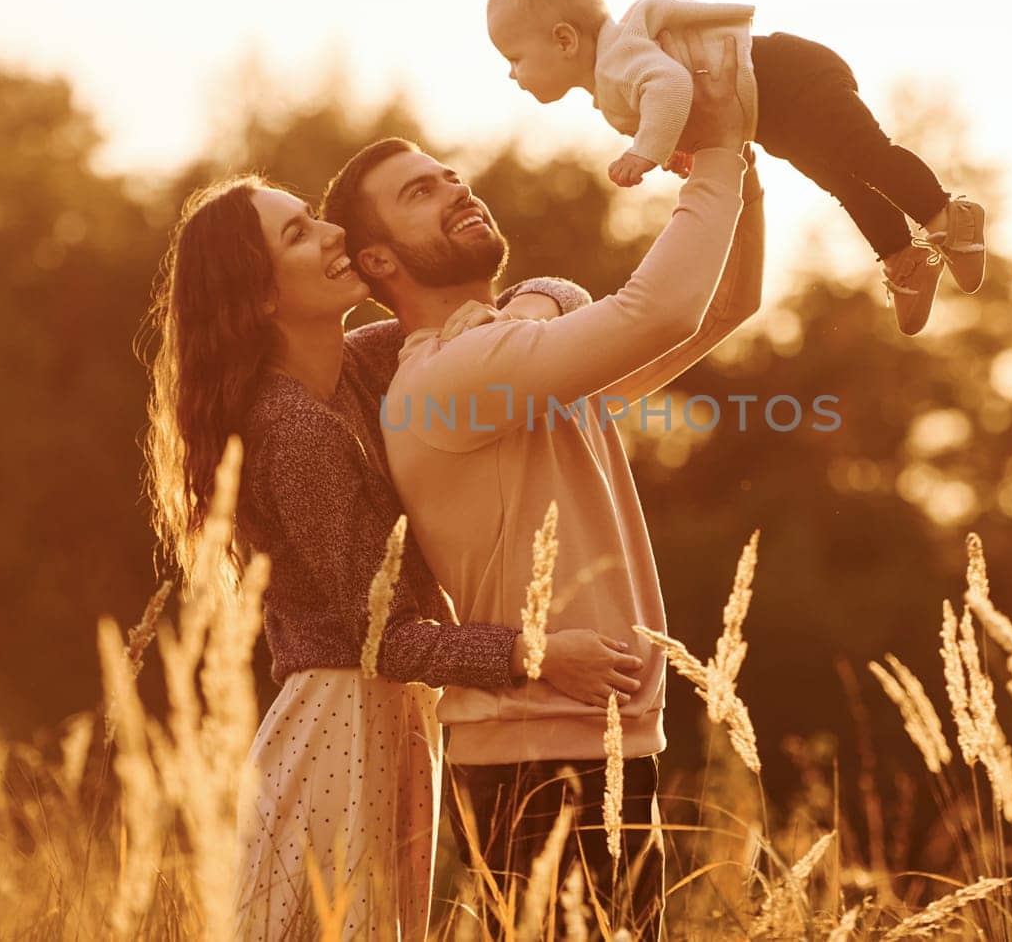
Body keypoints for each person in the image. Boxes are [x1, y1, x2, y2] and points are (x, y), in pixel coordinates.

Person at [320, 32, 762, 938]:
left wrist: (739, 171)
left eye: (448, 175)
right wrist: (713, 145)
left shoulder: (518, 361)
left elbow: (723, 307)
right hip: (537, 755)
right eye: (418, 192)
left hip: (592, 740)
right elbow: (662, 306)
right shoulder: (451, 378)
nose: (454, 188)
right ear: (377, 264)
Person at [141, 174, 644, 940]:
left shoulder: (368, 364)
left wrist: (536, 307)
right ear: (263, 297)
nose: (332, 234)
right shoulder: (292, 428)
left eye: (314, 216)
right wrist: (536, 653)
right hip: (342, 718)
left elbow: (540, 295)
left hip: (393, 717)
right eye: (298, 235)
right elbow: (388, 637)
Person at [485, 0, 986, 337]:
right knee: (843, 180)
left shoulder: (622, 57)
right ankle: (905, 258)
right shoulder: (614, 76)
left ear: (565, 39)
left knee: (864, 156)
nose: (511, 74)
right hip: (772, 112)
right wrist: (683, 144)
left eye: (515, 57)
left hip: (791, 77)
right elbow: (684, 99)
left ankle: (948, 216)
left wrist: (647, 151)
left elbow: (672, 87)